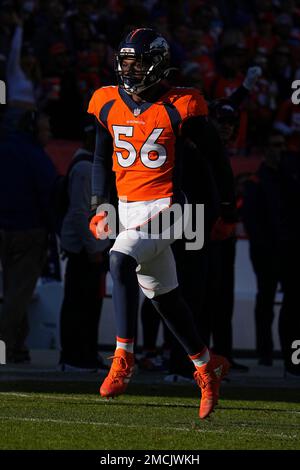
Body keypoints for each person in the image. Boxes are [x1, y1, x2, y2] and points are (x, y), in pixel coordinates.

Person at [88, 28, 236, 419]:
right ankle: (206, 368)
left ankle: (123, 357)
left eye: (137, 61)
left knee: (119, 259)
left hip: (170, 208)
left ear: (156, 63)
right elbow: (102, 159)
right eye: (125, 61)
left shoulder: (182, 104)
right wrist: (97, 205)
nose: (130, 69)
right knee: (167, 300)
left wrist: (226, 206)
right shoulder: (106, 102)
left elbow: (217, 158)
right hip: (130, 211)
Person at [0, 110, 57, 362]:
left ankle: (17, 346)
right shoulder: (36, 157)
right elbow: (50, 195)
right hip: (29, 230)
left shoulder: (5, 149)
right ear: (33, 130)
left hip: (5, 228)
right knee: (19, 293)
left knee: (13, 289)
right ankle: (5, 343)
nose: (50, 134)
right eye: (46, 129)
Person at [58, 122, 110, 371]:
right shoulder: (85, 169)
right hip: (86, 250)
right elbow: (81, 213)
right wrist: (93, 248)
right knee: (80, 303)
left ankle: (85, 352)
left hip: (91, 247)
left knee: (89, 303)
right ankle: (74, 355)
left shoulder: (88, 165)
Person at [242, 131, 285, 366]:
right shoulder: (256, 180)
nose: (278, 150)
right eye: (274, 145)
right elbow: (251, 219)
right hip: (266, 251)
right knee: (266, 300)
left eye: (281, 145)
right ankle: (265, 351)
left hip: (287, 250)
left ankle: (290, 352)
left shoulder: (288, 176)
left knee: (290, 303)